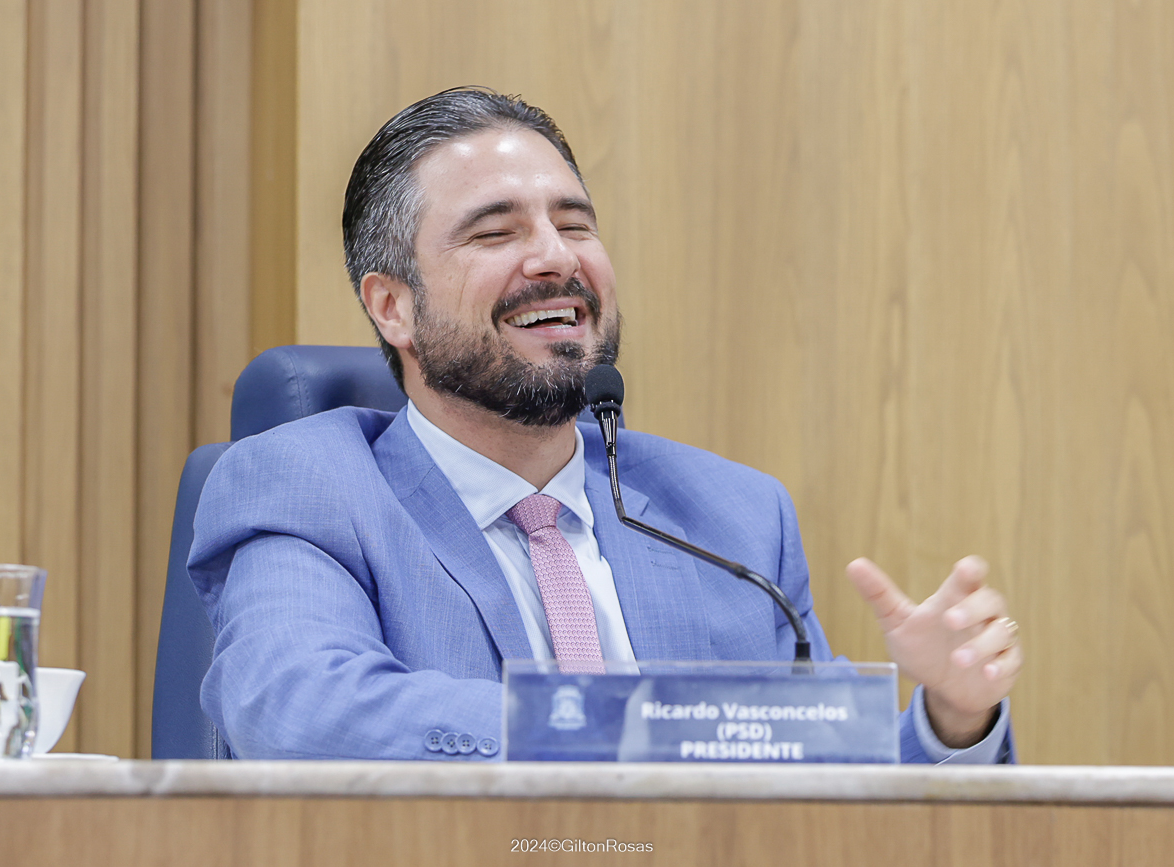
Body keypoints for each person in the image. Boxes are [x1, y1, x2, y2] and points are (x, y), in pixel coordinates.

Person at [189, 87, 1021, 762]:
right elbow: (298, 707)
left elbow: (829, 786)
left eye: (575, 223)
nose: (557, 256)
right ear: (392, 306)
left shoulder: (735, 517)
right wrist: (625, 726)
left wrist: (950, 717)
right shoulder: (309, 486)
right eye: (496, 231)